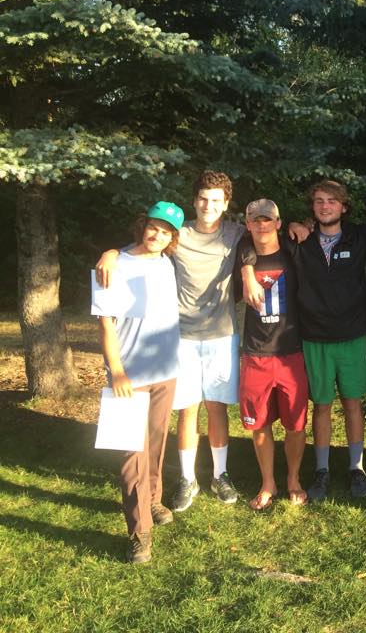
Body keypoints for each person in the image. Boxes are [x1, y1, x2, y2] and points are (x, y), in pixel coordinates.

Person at [242, 179, 366, 501]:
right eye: (319, 201)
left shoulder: (360, 234)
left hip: (351, 335)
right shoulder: (298, 240)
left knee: (352, 404)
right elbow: (253, 238)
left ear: (343, 207)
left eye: (332, 201)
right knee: (321, 406)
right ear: (313, 207)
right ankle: (321, 470)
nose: (325, 206)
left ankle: (356, 468)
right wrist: (247, 270)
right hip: (313, 337)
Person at [98, 171, 245, 512]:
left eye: (216, 200)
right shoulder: (178, 235)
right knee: (187, 409)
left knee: (217, 407)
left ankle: (220, 475)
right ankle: (188, 478)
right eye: (203, 199)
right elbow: (142, 249)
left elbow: (270, 232)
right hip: (181, 336)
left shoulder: (236, 233)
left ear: (225, 205)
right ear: (195, 201)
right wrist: (111, 253)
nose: (209, 205)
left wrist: (301, 227)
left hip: (223, 333)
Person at [92, 201, 184, 563]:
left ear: (171, 239)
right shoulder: (112, 266)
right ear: (142, 225)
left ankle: (154, 499)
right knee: (133, 453)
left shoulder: (166, 262)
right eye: (153, 227)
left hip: (165, 371)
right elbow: (105, 324)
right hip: (128, 376)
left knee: (158, 442)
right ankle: (139, 532)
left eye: (166, 232)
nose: (157, 235)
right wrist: (116, 371)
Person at [237, 199, 309, 511]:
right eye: (256, 221)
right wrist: (246, 270)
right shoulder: (241, 257)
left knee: (295, 424)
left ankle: (293, 478)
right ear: (248, 224)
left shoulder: (293, 253)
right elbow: (240, 250)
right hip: (256, 353)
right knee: (260, 424)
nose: (262, 225)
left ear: (279, 223)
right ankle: (268, 482)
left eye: (268, 220)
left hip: (291, 351)